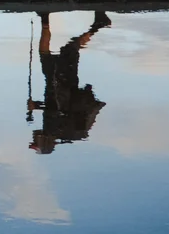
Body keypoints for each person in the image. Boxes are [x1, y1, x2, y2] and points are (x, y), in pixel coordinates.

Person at [28, 11, 110, 154]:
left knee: (46, 53)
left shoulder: (56, 131)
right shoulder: (53, 129)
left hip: (56, 82)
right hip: (61, 81)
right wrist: (36, 106)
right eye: (36, 142)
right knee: (68, 49)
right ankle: (98, 25)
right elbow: (54, 109)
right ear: (44, 141)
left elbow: (53, 107)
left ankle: (45, 18)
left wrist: (38, 106)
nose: (34, 138)